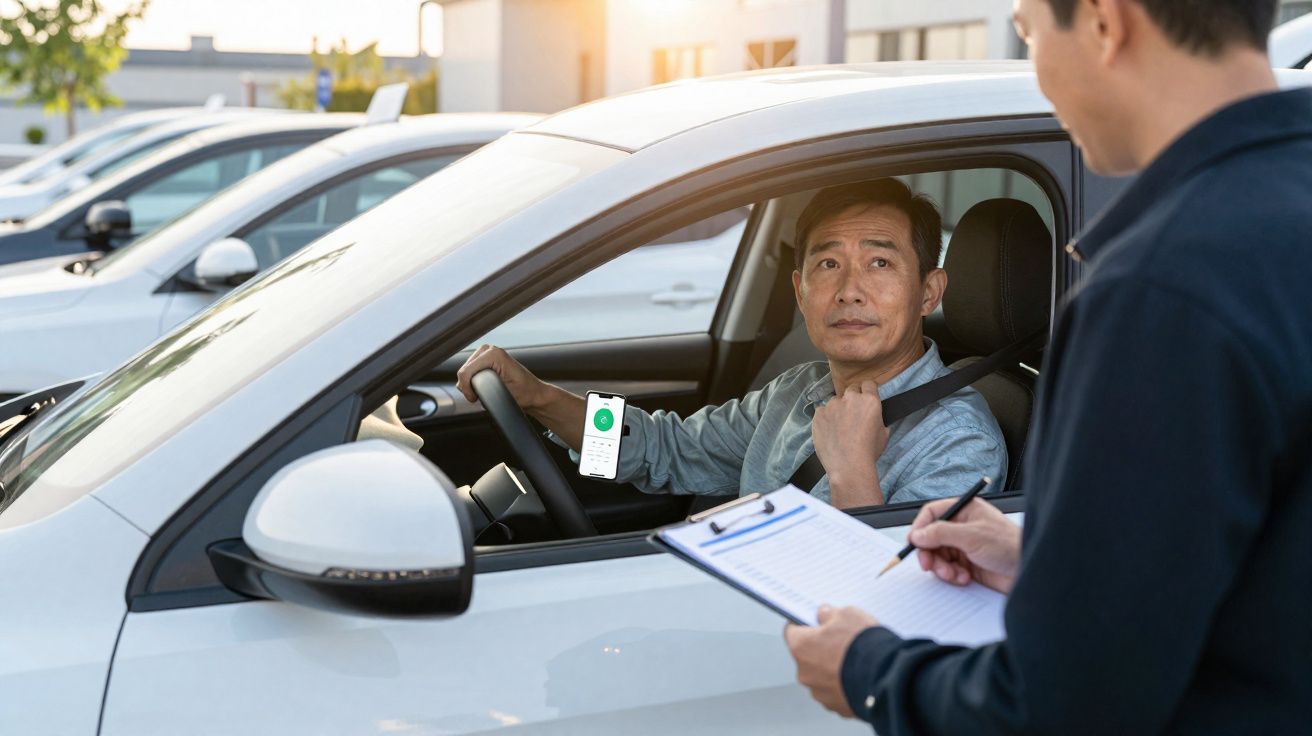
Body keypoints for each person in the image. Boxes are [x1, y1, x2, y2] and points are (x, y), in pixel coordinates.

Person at [784, 0, 1312, 732]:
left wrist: (869, 671)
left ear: (1104, 21)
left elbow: (1066, 703)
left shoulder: (1160, 289)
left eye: (1029, 30)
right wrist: (1047, 557)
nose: (1036, 71)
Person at [456, 178, 1006, 509]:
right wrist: (540, 399)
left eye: (880, 262)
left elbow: (895, 612)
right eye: (828, 264)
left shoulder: (958, 442)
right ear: (800, 289)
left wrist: (851, 470)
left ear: (929, 292)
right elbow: (661, 450)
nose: (849, 290)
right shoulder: (797, 391)